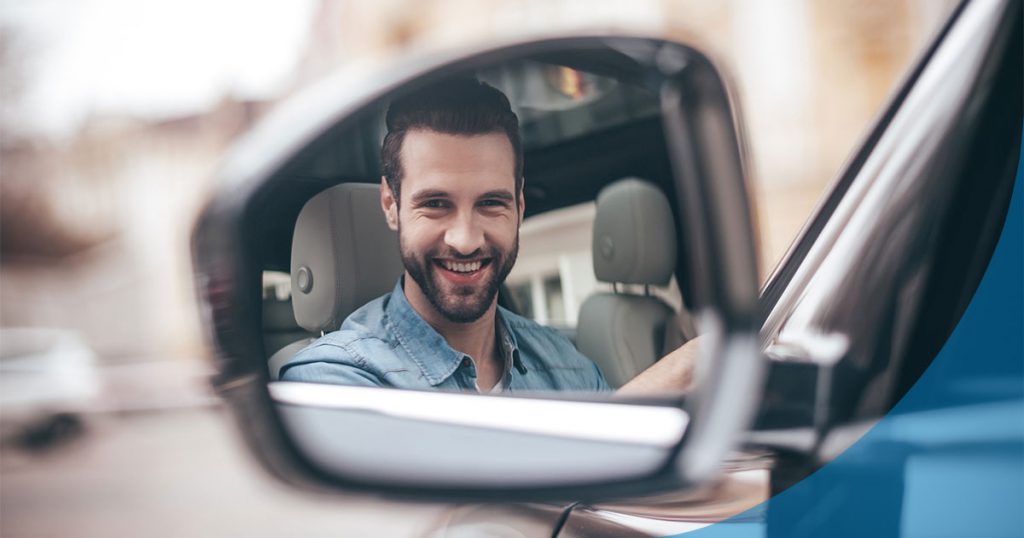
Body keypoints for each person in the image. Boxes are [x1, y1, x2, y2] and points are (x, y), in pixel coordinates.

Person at [279, 78, 697, 394]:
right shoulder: (333, 380)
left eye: (490, 203)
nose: (465, 239)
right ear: (391, 205)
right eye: (437, 204)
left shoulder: (568, 365)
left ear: (519, 206)